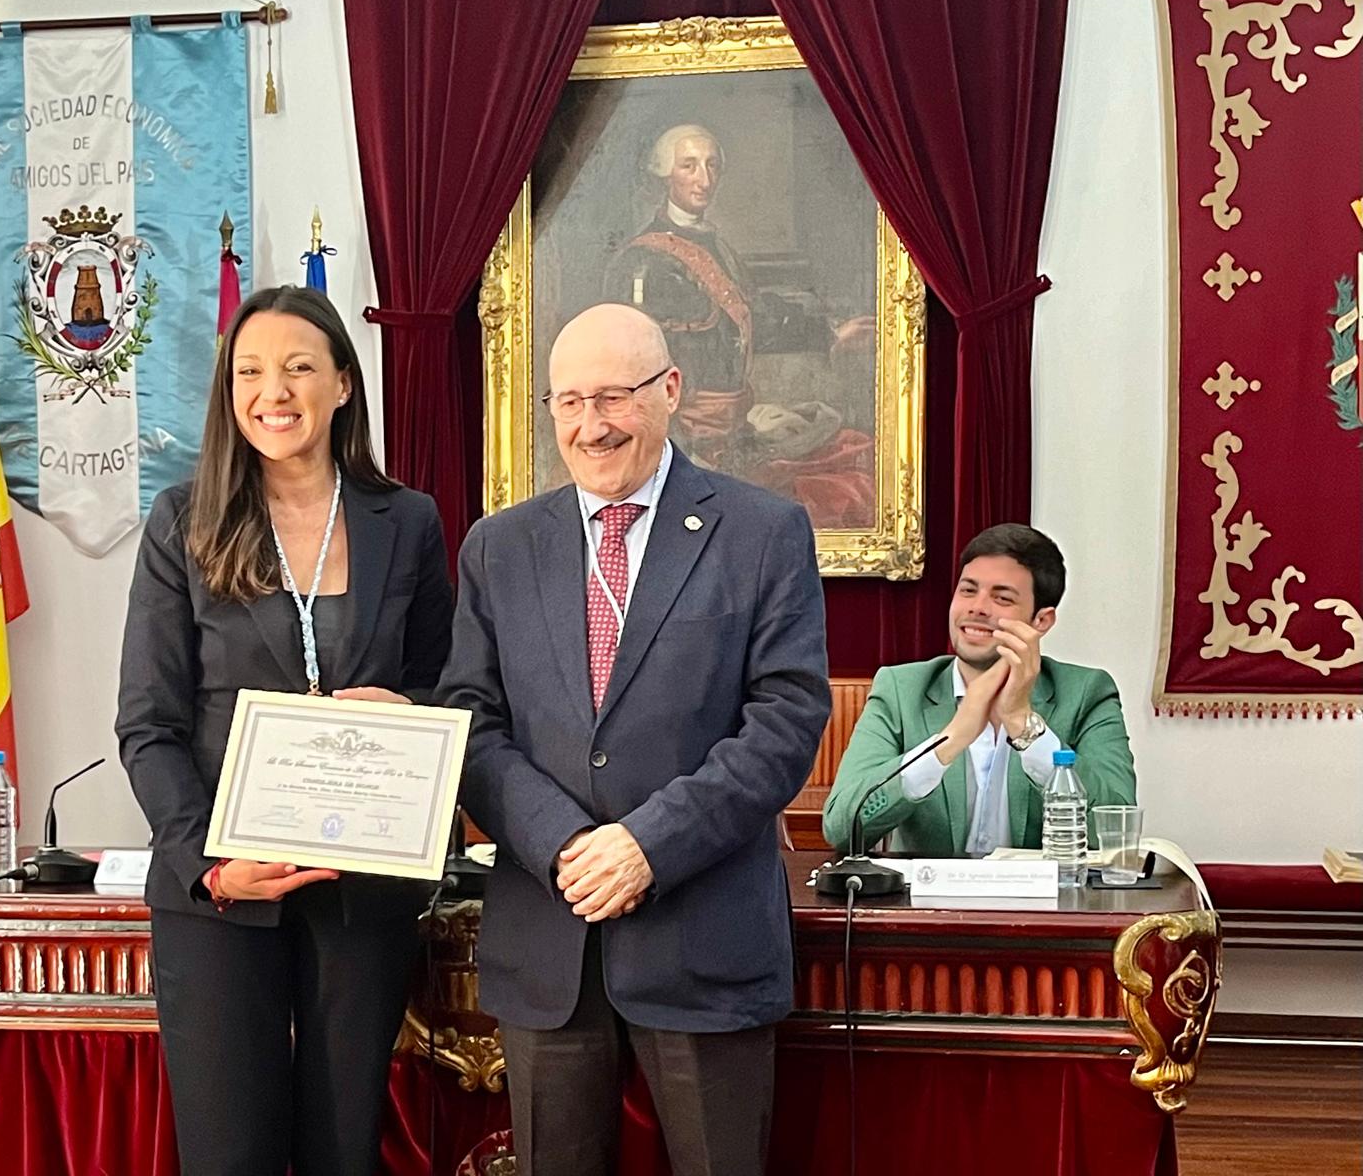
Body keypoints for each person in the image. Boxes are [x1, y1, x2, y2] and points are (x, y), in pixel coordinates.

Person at [440, 302, 830, 1176]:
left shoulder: (762, 533)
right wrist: (569, 844)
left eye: (614, 397)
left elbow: (785, 722)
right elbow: (471, 722)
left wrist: (648, 846)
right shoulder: (498, 547)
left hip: (703, 937)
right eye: (569, 401)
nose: (591, 424)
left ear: (670, 392)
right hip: (552, 939)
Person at [116, 286, 453, 1176]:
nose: (276, 390)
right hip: (221, 896)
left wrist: (413, 714)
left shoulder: (407, 521)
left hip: (363, 885)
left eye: (301, 367)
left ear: (343, 383)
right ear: (230, 393)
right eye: (252, 372)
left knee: (346, 1151)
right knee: (231, 1154)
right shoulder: (183, 523)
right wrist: (212, 866)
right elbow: (149, 723)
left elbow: (447, 688)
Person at [603, 122, 874, 524]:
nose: (704, 179)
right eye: (689, 166)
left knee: (854, 450)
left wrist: (831, 332)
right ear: (665, 174)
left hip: (733, 425)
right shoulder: (644, 263)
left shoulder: (714, 244)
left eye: (712, 166)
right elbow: (637, 367)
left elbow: (753, 317)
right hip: (687, 435)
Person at [823, 523, 1137, 858]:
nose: (977, 608)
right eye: (968, 591)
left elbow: (1114, 833)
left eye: (1002, 598)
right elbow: (843, 827)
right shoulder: (901, 691)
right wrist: (953, 737)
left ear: (1041, 621)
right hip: (928, 907)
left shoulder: (1087, 693)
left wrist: (1022, 722)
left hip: (1042, 907)